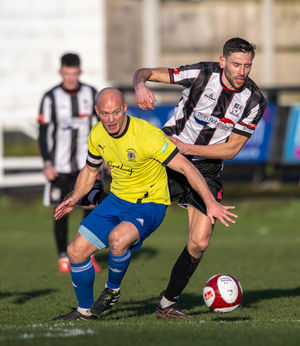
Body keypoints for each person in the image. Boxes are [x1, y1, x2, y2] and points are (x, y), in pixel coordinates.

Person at [52, 87, 237, 320]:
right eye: (105, 113)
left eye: (116, 112)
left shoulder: (147, 136)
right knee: (75, 251)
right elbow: (90, 172)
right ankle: (84, 310)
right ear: (97, 111)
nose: (111, 119)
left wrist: (210, 202)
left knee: (118, 239)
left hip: (149, 204)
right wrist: (75, 198)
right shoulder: (97, 134)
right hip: (117, 200)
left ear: (125, 109)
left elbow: (187, 167)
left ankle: (112, 291)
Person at [133, 37, 267, 318]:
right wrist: (140, 86)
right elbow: (145, 72)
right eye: (236, 64)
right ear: (223, 62)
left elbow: (231, 149)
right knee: (130, 228)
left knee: (199, 243)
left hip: (206, 169)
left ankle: (168, 304)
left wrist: (189, 148)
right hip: (167, 161)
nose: (242, 71)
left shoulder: (254, 101)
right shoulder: (201, 74)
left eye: (247, 66)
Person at [38, 52, 102, 273]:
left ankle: (85, 253)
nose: (71, 78)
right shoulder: (50, 98)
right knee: (61, 211)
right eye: (67, 74)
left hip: (86, 167)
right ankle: (63, 256)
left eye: (74, 74)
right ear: (61, 73)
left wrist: (107, 158)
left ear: (79, 72)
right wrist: (47, 162)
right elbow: (43, 132)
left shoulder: (91, 94)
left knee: (90, 209)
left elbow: (101, 127)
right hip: (59, 167)